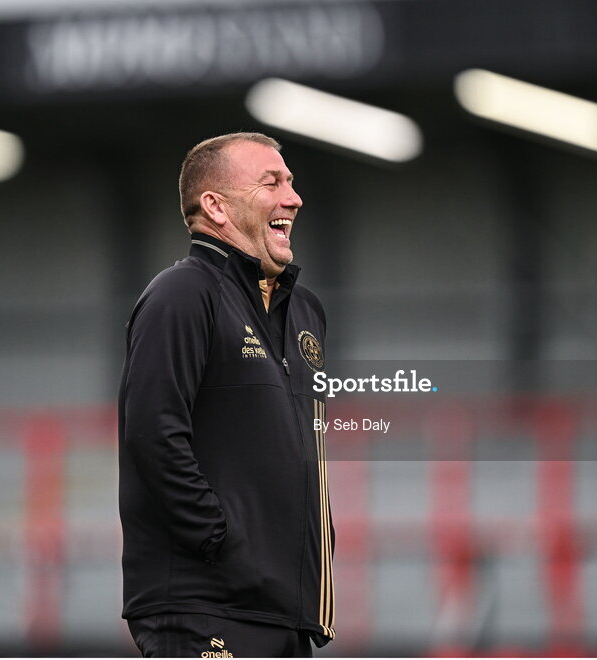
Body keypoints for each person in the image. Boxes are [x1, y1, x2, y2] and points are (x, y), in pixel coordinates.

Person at [117, 133, 334, 657]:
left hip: (285, 610)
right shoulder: (182, 293)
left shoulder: (304, 312)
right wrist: (220, 539)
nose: (293, 197)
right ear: (215, 206)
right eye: (272, 182)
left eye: (292, 182)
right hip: (207, 604)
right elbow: (153, 432)